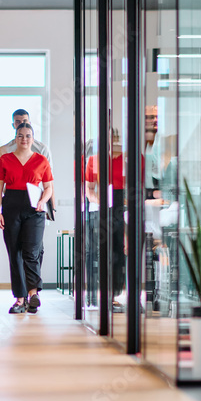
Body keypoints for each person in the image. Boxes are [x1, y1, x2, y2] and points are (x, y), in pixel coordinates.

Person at [0, 122, 53, 314]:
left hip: (35, 208)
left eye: (28, 136)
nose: (24, 139)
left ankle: (33, 293)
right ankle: (19, 299)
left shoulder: (41, 160)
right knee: (15, 254)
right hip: (11, 206)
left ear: (33, 139)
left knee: (31, 251)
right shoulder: (5, 159)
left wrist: (43, 200)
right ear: (15, 138)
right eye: (21, 136)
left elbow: (49, 186)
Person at [86, 128, 127, 313]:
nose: (111, 141)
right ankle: (102, 295)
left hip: (122, 207)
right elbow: (89, 190)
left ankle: (115, 295)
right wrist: (100, 201)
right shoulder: (94, 161)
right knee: (103, 252)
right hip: (102, 209)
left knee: (119, 252)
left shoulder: (126, 159)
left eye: (114, 137)